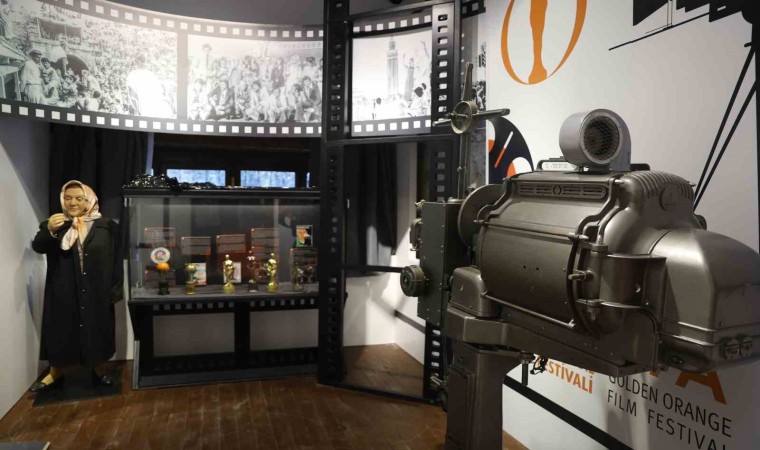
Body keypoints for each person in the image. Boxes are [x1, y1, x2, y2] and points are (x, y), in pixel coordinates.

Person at [30, 181, 122, 391]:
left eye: (79, 198)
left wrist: (115, 290)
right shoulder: (55, 224)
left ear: (88, 200)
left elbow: (116, 259)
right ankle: (56, 370)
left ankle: (99, 367)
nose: (73, 203)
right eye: (68, 198)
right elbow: (38, 247)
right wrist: (50, 231)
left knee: (97, 328)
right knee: (61, 328)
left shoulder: (106, 226)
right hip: (63, 289)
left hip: (97, 289)